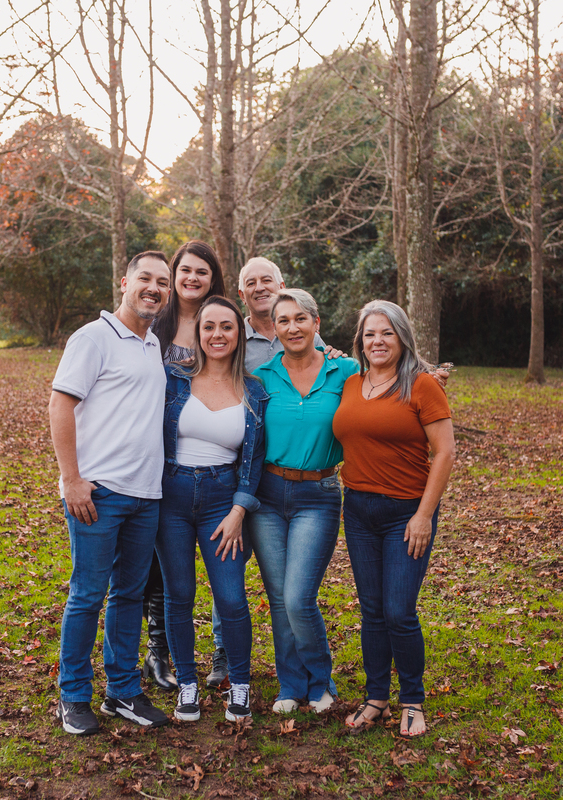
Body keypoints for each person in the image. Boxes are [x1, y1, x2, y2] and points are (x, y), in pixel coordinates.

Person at [47, 251, 174, 735]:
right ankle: (73, 696)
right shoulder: (93, 337)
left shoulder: (152, 344)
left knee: (128, 595)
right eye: (146, 278)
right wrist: (71, 479)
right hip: (98, 494)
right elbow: (60, 405)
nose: (154, 288)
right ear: (124, 282)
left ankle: (122, 691)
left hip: (146, 495)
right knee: (87, 595)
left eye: (163, 282)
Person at [332, 300, 455, 738]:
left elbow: (445, 452)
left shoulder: (422, 385)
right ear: (360, 342)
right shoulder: (350, 382)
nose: (378, 341)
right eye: (370, 334)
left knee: (399, 611)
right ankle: (376, 698)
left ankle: (413, 700)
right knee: (371, 610)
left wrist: (424, 515)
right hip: (358, 510)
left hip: (406, 513)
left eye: (387, 333)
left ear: (402, 337)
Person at [245, 288, 359, 713]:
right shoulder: (263, 376)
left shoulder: (345, 371)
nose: (292, 327)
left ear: (316, 323)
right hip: (268, 494)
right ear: (274, 329)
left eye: (300, 319)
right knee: (278, 598)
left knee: (298, 597)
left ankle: (320, 681)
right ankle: (291, 686)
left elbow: (391, 380)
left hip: (319, 494)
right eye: (284, 321)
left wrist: (429, 379)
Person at [156, 296, 268, 723]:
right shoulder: (173, 378)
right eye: (209, 327)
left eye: (227, 326)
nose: (217, 335)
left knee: (232, 598)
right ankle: (186, 683)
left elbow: (254, 459)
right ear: (198, 333)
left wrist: (240, 509)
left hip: (223, 500)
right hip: (171, 495)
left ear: (239, 333)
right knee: (179, 594)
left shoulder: (254, 390)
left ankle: (240, 684)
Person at [143, 240, 231, 691]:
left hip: (212, 464)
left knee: (222, 569)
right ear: (174, 275)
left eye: (202, 271)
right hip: (151, 457)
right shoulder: (152, 324)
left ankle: (222, 651)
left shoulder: (222, 324)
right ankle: (157, 652)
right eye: (185, 270)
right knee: (158, 567)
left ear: (213, 279)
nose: (193, 278)